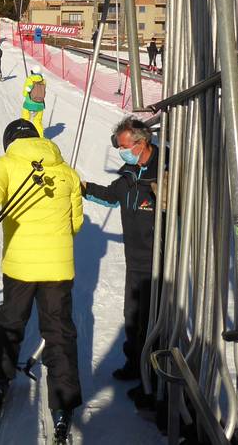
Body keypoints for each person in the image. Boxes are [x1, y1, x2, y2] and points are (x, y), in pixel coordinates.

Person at [0, 119, 84, 439]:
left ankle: (1, 379)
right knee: (58, 330)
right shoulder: (67, 171)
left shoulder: (6, 164)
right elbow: (76, 224)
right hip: (57, 268)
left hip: (19, 267)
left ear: (10, 142)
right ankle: (63, 404)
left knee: (11, 321)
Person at [80, 117, 166, 400]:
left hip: (160, 262)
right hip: (135, 259)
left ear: (142, 143)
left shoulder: (165, 170)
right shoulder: (129, 174)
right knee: (132, 316)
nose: (121, 151)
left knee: (154, 321)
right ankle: (134, 364)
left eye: (124, 146)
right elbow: (110, 196)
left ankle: (153, 380)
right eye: (119, 147)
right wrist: (82, 188)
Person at [21, 65, 46, 136]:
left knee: (25, 120)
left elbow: (24, 93)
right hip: (40, 105)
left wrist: (28, 88)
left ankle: (24, 135)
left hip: (29, 104)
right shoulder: (43, 81)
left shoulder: (30, 79)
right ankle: (41, 137)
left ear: (32, 71)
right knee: (37, 122)